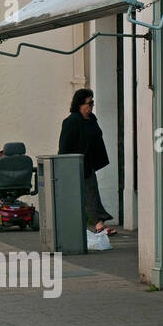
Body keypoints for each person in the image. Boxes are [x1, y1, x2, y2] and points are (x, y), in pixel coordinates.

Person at [59, 87, 116, 235]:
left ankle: (98, 224)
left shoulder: (91, 119)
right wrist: (63, 167)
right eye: (88, 103)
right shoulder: (71, 121)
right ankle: (98, 225)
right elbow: (64, 146)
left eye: (92, 103)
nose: (91, 106)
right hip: (75, 165)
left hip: (88, 163)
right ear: (79, 104)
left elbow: (96, 135)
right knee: (89, 193)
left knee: (91, 193)